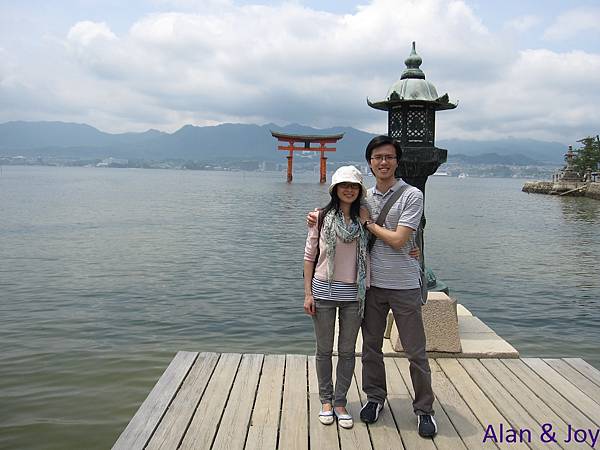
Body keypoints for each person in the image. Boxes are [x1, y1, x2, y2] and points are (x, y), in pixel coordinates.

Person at [307, 135, 437, 439]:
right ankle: (375, 398)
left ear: (397, 161)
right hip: (370, 287)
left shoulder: (412, 195)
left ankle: (424, 410)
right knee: (370, 348)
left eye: (389, 157)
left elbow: (399, 239)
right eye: (377, 157)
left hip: (404, 284)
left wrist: (370, 225)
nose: (383, 162)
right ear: (370, 162)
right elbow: (339, 214)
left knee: (416, 351)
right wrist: (315, 217)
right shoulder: (364, 197)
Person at [303, 165, 370, 430]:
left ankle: (341, 401)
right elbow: (309, 257)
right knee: (323, 350)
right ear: (335, 189)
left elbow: (388, 238)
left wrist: (413, 252)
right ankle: (326, 401)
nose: (349, 189)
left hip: (355, 294)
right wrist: (308, 293)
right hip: (323, 292)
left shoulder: (364, 218)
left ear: (359, 190)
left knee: (347, 351)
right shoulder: (319, 217)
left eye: (354, 186)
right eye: (344, 185)